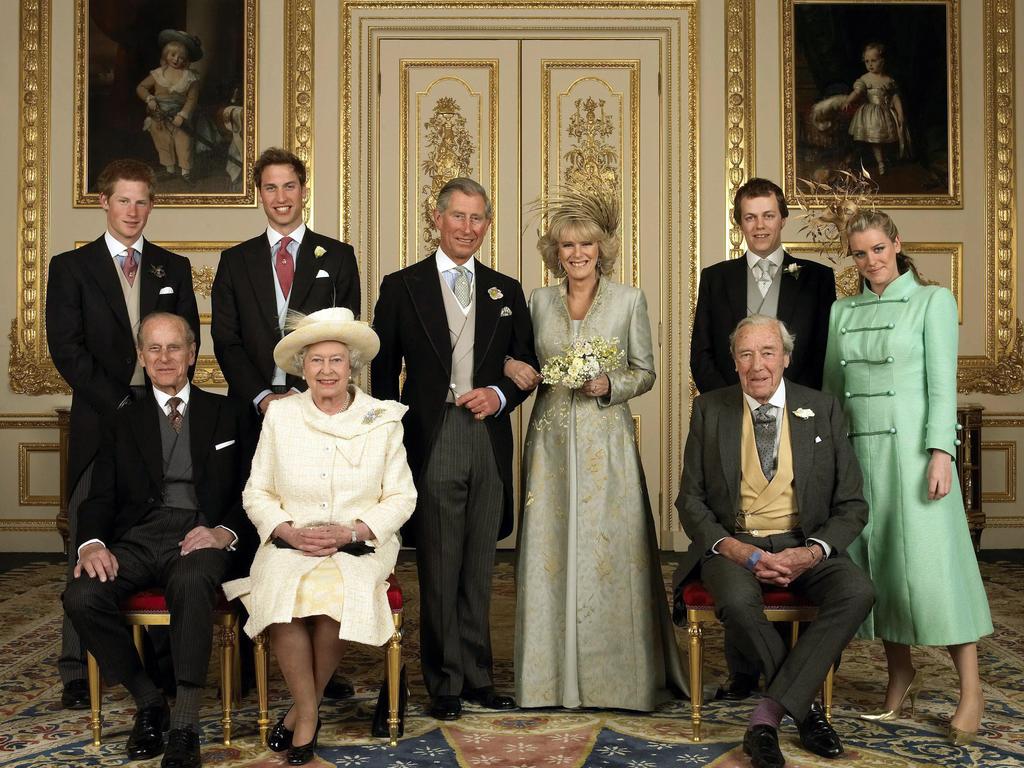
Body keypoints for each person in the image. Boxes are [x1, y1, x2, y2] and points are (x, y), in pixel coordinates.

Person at [504, 188, 685, 709]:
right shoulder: (536, 301)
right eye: (567, 246)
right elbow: (514, 359)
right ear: (554, 252)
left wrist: (612, 385)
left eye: (586, 244)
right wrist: (511, 369)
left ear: (602, 248)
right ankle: (546, 682)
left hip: (607, 443)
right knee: (549, 550)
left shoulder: (629, 300)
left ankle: (619, 682)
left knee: (614, 549)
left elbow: (645, 372)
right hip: (552, 442)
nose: (577, 254)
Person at [823, 210, 993, 745]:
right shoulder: (841, 312)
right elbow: (831, 393)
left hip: (917, 458)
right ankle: (900, 672)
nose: (870, 261)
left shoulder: (933, 301)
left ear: (896, 244)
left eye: (878, 248)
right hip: (859, 459)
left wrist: (942, 451)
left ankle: (972, 690)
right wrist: (829, 462)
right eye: (859, 252)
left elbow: (943, 384)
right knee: (876, 568)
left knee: (933, 571)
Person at [674, 315, 874, 768]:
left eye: (768, 352)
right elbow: (690, 500)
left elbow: (852, 503)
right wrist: (733, 548)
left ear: (786, 357)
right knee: (739, 604)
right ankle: (807, 713)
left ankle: (766, 717)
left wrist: (810, 552)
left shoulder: (820, 407)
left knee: (857, 591)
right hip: (736, 543)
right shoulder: (710, 409)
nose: (757, 365)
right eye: (746, 354)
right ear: (734, 361)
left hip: (804, 541)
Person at [371, 177, 537, 721]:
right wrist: (391, 438)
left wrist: (500, 393)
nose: (468, 228)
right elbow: (379, 372)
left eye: (478, 219)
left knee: (480, 564)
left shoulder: (505, 290)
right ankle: (443, 681)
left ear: (487, 225)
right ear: (437, 219)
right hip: (433, 434)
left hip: (486, 437)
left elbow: (525, 366)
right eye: (458, 217)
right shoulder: (402, 287)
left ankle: (477, 676)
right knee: (440, 565)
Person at [224, 307, 416, 765]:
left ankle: (298, 718)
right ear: (302, 367)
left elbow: (401, 497)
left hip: (359, 541)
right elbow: (258, 491)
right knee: (286, 598)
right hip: (293, 539)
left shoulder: (383, 418)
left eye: (335, 360)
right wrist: (287, 531)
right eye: (316, 361)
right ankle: (308, 711)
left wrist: (353, 529)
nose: (326, 370)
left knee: (334, 596)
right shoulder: (281, 417)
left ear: (352, 365)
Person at [63, 312, 253, 768]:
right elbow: (100, 495)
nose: (164, 358)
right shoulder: (122, 418)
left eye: (174, 348)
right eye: (154, 348)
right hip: (138, 536)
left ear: (192, 354)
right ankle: (149, 701)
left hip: (201, 533)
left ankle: (185, 723)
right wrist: (91, 543)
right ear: (142, 359)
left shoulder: (230, 412)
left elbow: (253, 490)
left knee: (191, 582)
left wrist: (223, 532)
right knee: (82, 595)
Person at [46, 159, 200, 711]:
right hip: (101, 418)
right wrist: (119, 404)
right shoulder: (72, 267)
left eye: (142, 202)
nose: (132, 211)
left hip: (161, 414)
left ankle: (159, 664)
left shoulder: (172, 267)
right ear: (104, 204)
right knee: (88, 539)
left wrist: (161, 402)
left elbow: (187, 340)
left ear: (151, 206)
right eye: (123, 201)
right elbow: (66, 348)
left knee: (154, 530)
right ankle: (75, 666)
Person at [211, 146, 362, 698]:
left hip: (319, 415)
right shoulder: (236, 260)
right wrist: (261, 398)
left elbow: (343, 337)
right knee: (260, 522)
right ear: (260, 194)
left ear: (304, 190)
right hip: (255, 415)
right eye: (270, 188)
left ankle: (327, 661)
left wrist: (302, 401)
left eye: (289, 187)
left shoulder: (337, 257)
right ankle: (260, 654)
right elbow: (225, 339)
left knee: (319, 519)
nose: (280, 197)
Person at [689, 176, 837, 700]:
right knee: (737, 527)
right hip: (735, 417)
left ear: (782, 219)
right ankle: (746, 674)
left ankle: (788, 668)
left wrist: (787, 406)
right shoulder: (717, 277)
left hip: (793, 414)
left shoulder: (817, 279)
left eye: (768, 216)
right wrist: (737, 408)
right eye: (748, 217)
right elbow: (702, 353)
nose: (758, 226)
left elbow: (817, 357)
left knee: (788, 529)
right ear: (739, 222)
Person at [136, 30, 203, 185]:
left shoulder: (190, 77)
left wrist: (182, 115)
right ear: (166, 55)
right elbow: (141, 87)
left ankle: (186, 172)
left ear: (186, 60)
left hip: (179, 116)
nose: (176, 59)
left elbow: (192, 99)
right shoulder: (158, 73)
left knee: (184, 141)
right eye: (172, 55)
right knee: (163, 142)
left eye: (181, 57)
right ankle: (170, 170)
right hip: (158, 116)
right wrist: (149, 99)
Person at [843, 42, 909, 176]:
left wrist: (900, 114)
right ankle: (880, 163)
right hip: (870, 115)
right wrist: (848, 100)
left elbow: (895, 98)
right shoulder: (865, 79)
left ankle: (886, 159)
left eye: (874, 60)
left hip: (885, 113)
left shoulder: (889, 80)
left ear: (882, 61)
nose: (870, 64)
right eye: (867, 61)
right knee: (875, 140)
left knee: (887, 139)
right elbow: (857, 92)